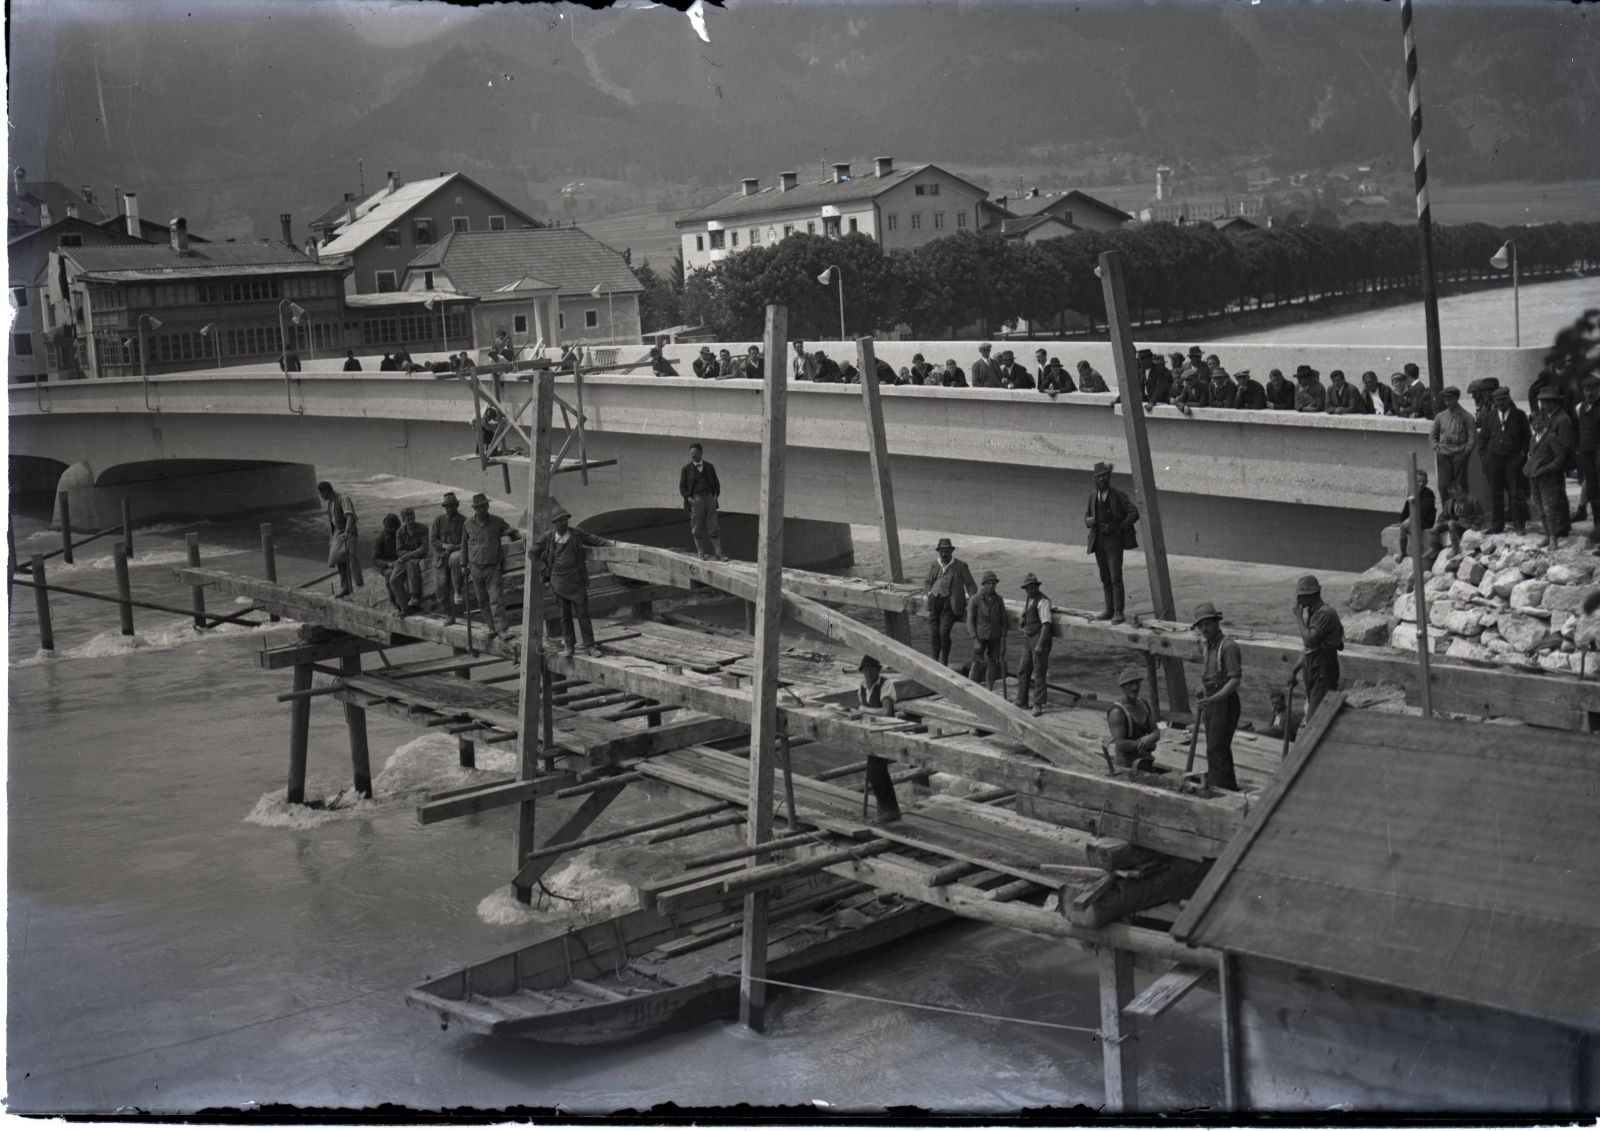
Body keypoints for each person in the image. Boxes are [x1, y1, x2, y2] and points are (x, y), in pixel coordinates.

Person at [535, 507, 612, 656]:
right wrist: (544, 569)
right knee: (565, 616)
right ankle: (569, 646)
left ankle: (590, 646)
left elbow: (594, 539)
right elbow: (533, 553)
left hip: (577, 581)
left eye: (566, 519)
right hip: (559, 582)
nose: (564, 522)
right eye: (561, 520)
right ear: (555, 522)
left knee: (583, 615)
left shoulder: (576, 533)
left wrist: (610, 546)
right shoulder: (548, 538)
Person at [1191, 602, 1241, 792]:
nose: (1204, 629)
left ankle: (1222, 789)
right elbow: (1211, 677)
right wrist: (1203, 691)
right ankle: (1223, 786)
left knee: (1216, 746)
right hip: (1212, 700)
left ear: (1217, 623)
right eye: (1200, 626)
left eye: (1207, 624)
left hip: (1225, 702)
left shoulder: (1228, 647)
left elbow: (1235, 680)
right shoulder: (1208, 647)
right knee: (1215, 748)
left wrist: (1214, 698)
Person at [1085, 461, 1139, 624]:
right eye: (1097, 477)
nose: (1100, 480)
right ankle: (1109, 610)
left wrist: (1119, 527)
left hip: (1114, 541)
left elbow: (1134, 512)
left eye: (1103, 476)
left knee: (1116, 576)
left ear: (1108, 477)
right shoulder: (1093, 495)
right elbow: (1086, 516)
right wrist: (1089, 520)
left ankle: (1118, 612)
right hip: (1098, 540)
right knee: (1105, 576)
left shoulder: (1118, 495)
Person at [852, 656, 903, 823]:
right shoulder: (862, 687)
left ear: (877, 670)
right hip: (872, 732)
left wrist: (865, 710)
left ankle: (889, 810)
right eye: (864, 670)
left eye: (870, 670)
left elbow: (886, 711)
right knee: (875, 770)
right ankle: (886, 809)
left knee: (877, 769)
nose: (867, 673)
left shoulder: (885, 685)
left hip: (887, 731)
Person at [463, 493, 518, 641]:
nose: (481, 509)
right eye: (478, 507)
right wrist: (464, 564)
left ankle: (502, 630)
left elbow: (513, 532)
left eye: (483, 505)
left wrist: (513, 536)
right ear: (475, 508)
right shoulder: (468, 524)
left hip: (493, 567)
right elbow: (464, 545)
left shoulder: (497, 521)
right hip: (475, 567)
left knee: (496, 599)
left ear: (488, 506)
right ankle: (491, 628)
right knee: (482, 600)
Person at [1525, 386, 1575, 549]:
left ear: (1553, 402)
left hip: (1555, 464)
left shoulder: (1563, 419)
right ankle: (1555, 530)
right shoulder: (1547, 417)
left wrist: (1550, 455)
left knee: (1556, 498)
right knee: (1548, 501)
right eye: (1542, 402)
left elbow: (1566, 446)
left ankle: (1562, 528)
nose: (1543, 405)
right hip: (1543, 465)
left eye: (1545, 402)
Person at [1479, 385, 1530, 534]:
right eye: (1498, 400)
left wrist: (1522, 454)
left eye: (1503, 400)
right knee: (1496, 493)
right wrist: (1484, 456)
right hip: (1494, 459)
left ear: (1508, 399)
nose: (1501, 403)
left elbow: (1527, 437)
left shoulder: (1519, 415)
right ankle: (1497, 525)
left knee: (1515, 492)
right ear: (1494, 401)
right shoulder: (1489, 416)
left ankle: (1519, 525)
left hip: (1513, 459)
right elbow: (1482, 438)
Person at [1290, 575, 1343, 718]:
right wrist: (1294, 670)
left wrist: (1299, 617)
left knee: (1315, 719)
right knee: (1318, 713)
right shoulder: (1314, 614)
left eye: (1300, 596)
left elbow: (1309, 640)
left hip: (1323, 672)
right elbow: (1309, 650)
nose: (1298, 601)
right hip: (1314, 669)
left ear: (1310, 596)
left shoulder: (1325, 614)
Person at [924, 537, 977, 666]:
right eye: (941, 551)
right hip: (934, 602)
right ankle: (935, 660)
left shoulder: (960, 566)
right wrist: (929, 593)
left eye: (946, 551)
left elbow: (970, 585)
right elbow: (927, 582)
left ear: (951, 551)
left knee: (943, 633)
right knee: (934, 633)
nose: (944, 554)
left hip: (950, 603)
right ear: (939, 552)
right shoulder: (934, 564)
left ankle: (944, 661)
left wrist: (973, 600)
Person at [1106, 666, 1160, 773]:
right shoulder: (1117, 712)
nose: (1135, 687)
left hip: (1144, 761)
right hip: (1126, 766)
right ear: (1123, 686)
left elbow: (1156, 732)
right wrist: (1144, 744)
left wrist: (1149, 738)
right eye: (1130, 684)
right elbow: (1120, 744)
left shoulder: (1144, 704)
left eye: (1137, 683)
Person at [1430, 386, 1477, 500]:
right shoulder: (1440, 416)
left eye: (1450, 399)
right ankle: (1447, 513)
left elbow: (1472, 437)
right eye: (1445, 399)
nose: (1448, 402)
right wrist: (1436, 447)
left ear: (1457, 398)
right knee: (1443, 486)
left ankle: (1462, 513)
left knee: (1460, 486)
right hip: (1443, 456)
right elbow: (1432, 435)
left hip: (1459, 455)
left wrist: (1466, 451)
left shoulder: (1467, 417)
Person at [1015, 573, 1053, 716]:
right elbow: (1026, 610)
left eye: (1032, 587)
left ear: (1037, 587)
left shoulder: (1043, 601)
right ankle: (1022, 700)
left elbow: (1046, 625)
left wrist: (1040, 645)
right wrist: (1022, 616)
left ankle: (1038, 704)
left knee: (1039, 672)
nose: (1029, 590)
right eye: (1027, 588)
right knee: (1023, 670)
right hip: (1028, 639)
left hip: (1039, 639)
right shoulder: (1029, 598)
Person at [679, 442, 723, 559]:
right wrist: (689, 499)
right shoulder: (686, 469)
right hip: (695, 500)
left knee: (713, 526)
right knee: (697, 527)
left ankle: (718, 553)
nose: (693, 455)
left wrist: (715, 496)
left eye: (695, 453)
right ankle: (701, 553)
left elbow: (717, 484)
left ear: (701, 453)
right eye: (691, 453)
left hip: (709, 498)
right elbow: (682, 487)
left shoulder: (710, 467)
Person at [966, 570, 1008, 692]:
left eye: (993, 583)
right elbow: (970, 621)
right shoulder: (975, 600)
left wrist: (1003, 639)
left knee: (992, 663)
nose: (991, 586)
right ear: (983, 584)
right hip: (980, 637)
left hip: (995, 637)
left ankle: (989, 690)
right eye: (988, 583)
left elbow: (1003, 620)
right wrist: (975, 640)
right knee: (976, 663)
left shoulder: (999, 600)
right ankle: (969, 690)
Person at [318, 480, 360, 598]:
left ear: (325, 491)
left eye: (321, 494)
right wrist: (331, 539)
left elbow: (350, 516)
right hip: (338, 532)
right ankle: (345, 588)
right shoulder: (330, 502)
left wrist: (347, 532)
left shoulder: (343, 498)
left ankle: (359, 583)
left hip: (349, 530)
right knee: (337, 558)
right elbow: (332, 523)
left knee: (351, 555)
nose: (321, 497)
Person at [430, 491, 467, 624]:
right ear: (444, 507)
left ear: (457, 505)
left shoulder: (464, 521)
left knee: (456, 560)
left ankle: (458, 595)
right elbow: (433, 540)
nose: (450, 508)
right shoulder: (438, 520)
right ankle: (448, 614)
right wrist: (445, 546)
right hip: (440, 557)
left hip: (456, 554)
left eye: (452, 505)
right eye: (447, 506)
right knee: (440, 587)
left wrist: (455, 547)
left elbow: (467, 541)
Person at [1575, 376, 1600, 539]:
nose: (1589, 393)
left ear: (1598, 389)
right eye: (1586, 390)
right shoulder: (1579, 408)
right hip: (1585, 453)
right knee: (1592, 491)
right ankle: (1598, 528)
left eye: (1592, 389)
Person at [1395, 470, 1437, 563]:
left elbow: (1424, 511)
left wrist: (1411, 519)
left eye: (1424, 482)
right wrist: (1402, 520)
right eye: (1419, 481)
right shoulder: (1412, 492)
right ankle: (1403, 552)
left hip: (1426, 520)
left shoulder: (1429, 493)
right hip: (1415, 519)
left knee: (1411, 526)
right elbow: (1407, 507)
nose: (1421, 484)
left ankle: (1418, 553)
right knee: (1403, 527)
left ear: (1427, 482)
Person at [393, 506, 429, 613]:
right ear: (403, 520)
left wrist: (410, 555)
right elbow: (399, 550)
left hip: (418, 558)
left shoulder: (423, 529)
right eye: (408, 519)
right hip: (404, 559)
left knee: (412, 564)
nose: (411, 521)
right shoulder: (399, 532)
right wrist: (407, 556)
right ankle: (405, 607)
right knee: (393, 580)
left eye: (413, 518)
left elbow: (424, 548)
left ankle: (414, 596)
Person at [1430, 486, 1486, 554]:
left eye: (1459, 494)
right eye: (1454, 495)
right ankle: (1435, 549)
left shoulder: (1472, 500)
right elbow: (1444, 515)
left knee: (1451, 523)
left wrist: (1475, 525)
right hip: (1454, 523)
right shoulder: (1449, 503)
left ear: (1461, 491)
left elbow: (1480, 515)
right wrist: (1437, 523)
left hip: (1465, 525)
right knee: (1435, 528)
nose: (1458, 496)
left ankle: (1455, 549)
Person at [370, 513, 406, 612]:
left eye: (397, 527)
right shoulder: (379, 539)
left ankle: (407, 600)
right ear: (388, 527)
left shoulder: (400, 534)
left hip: (401, 561)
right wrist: (389, 564)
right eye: (394, 528)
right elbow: (375, 560)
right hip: (386, 566)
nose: (396, 530)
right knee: (391, 575)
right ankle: (392, 602)